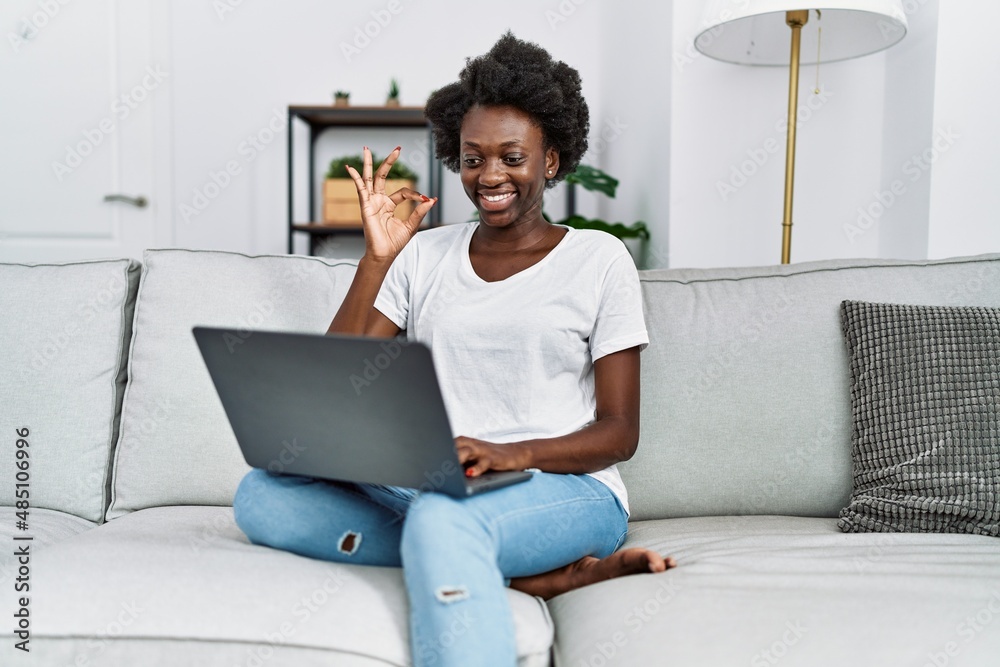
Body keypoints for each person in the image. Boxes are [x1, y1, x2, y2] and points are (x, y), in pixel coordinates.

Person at [232, 31, 674, 667]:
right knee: (263, 495)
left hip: (561, 486)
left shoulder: (599, 258)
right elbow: (339, 378)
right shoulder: (425, 255)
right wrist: (378, 258)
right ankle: (524, 579)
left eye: (512, 157)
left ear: (550, 160)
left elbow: (618, 432)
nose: (490, 176)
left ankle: (469, 557)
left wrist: (506, 452)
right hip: (438, 480)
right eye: (473, 158)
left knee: (445, 517)